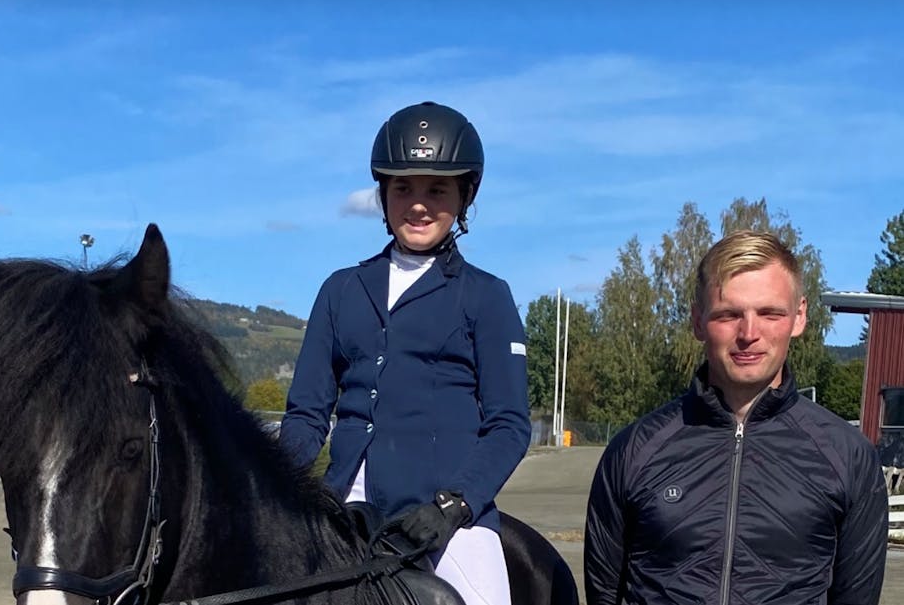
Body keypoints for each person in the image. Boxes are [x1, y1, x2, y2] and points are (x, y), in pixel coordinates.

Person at [279, 101, 531, 605]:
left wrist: (455, 506)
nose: (418, 204)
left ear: (464, 196)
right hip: (342, 509)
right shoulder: (340, 290)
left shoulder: (486, 295)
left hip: (445, 520)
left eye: (436, 189)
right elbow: (306, 414)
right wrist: (277, 485)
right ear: (383, 193)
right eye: (403, 188)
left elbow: (509, 424)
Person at [584, 230, 888, 605]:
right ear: (698, 321)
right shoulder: (633, 452)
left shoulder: (848, 457)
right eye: (728, 315)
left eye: (769, 313)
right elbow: (603, 594)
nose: (749, 333)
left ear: (799, 317)